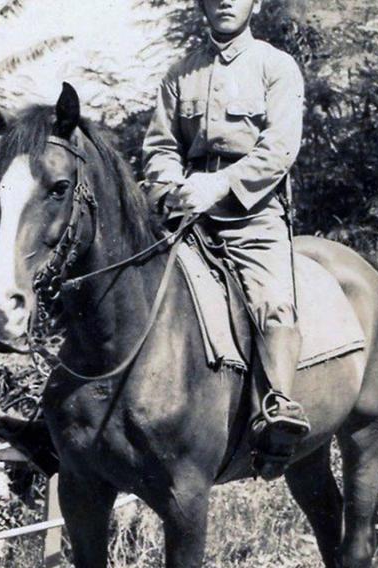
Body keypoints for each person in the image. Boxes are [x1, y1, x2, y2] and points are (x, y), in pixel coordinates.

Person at [142, 0, 308, 478]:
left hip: (250, 214)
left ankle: (276, 407)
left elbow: (280, 147)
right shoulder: (180, 74)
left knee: (273, 301)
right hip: (185, 211)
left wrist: (220, 185)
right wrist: (174, 186)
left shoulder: (276, 67)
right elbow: (160, 146)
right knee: (116, 276)